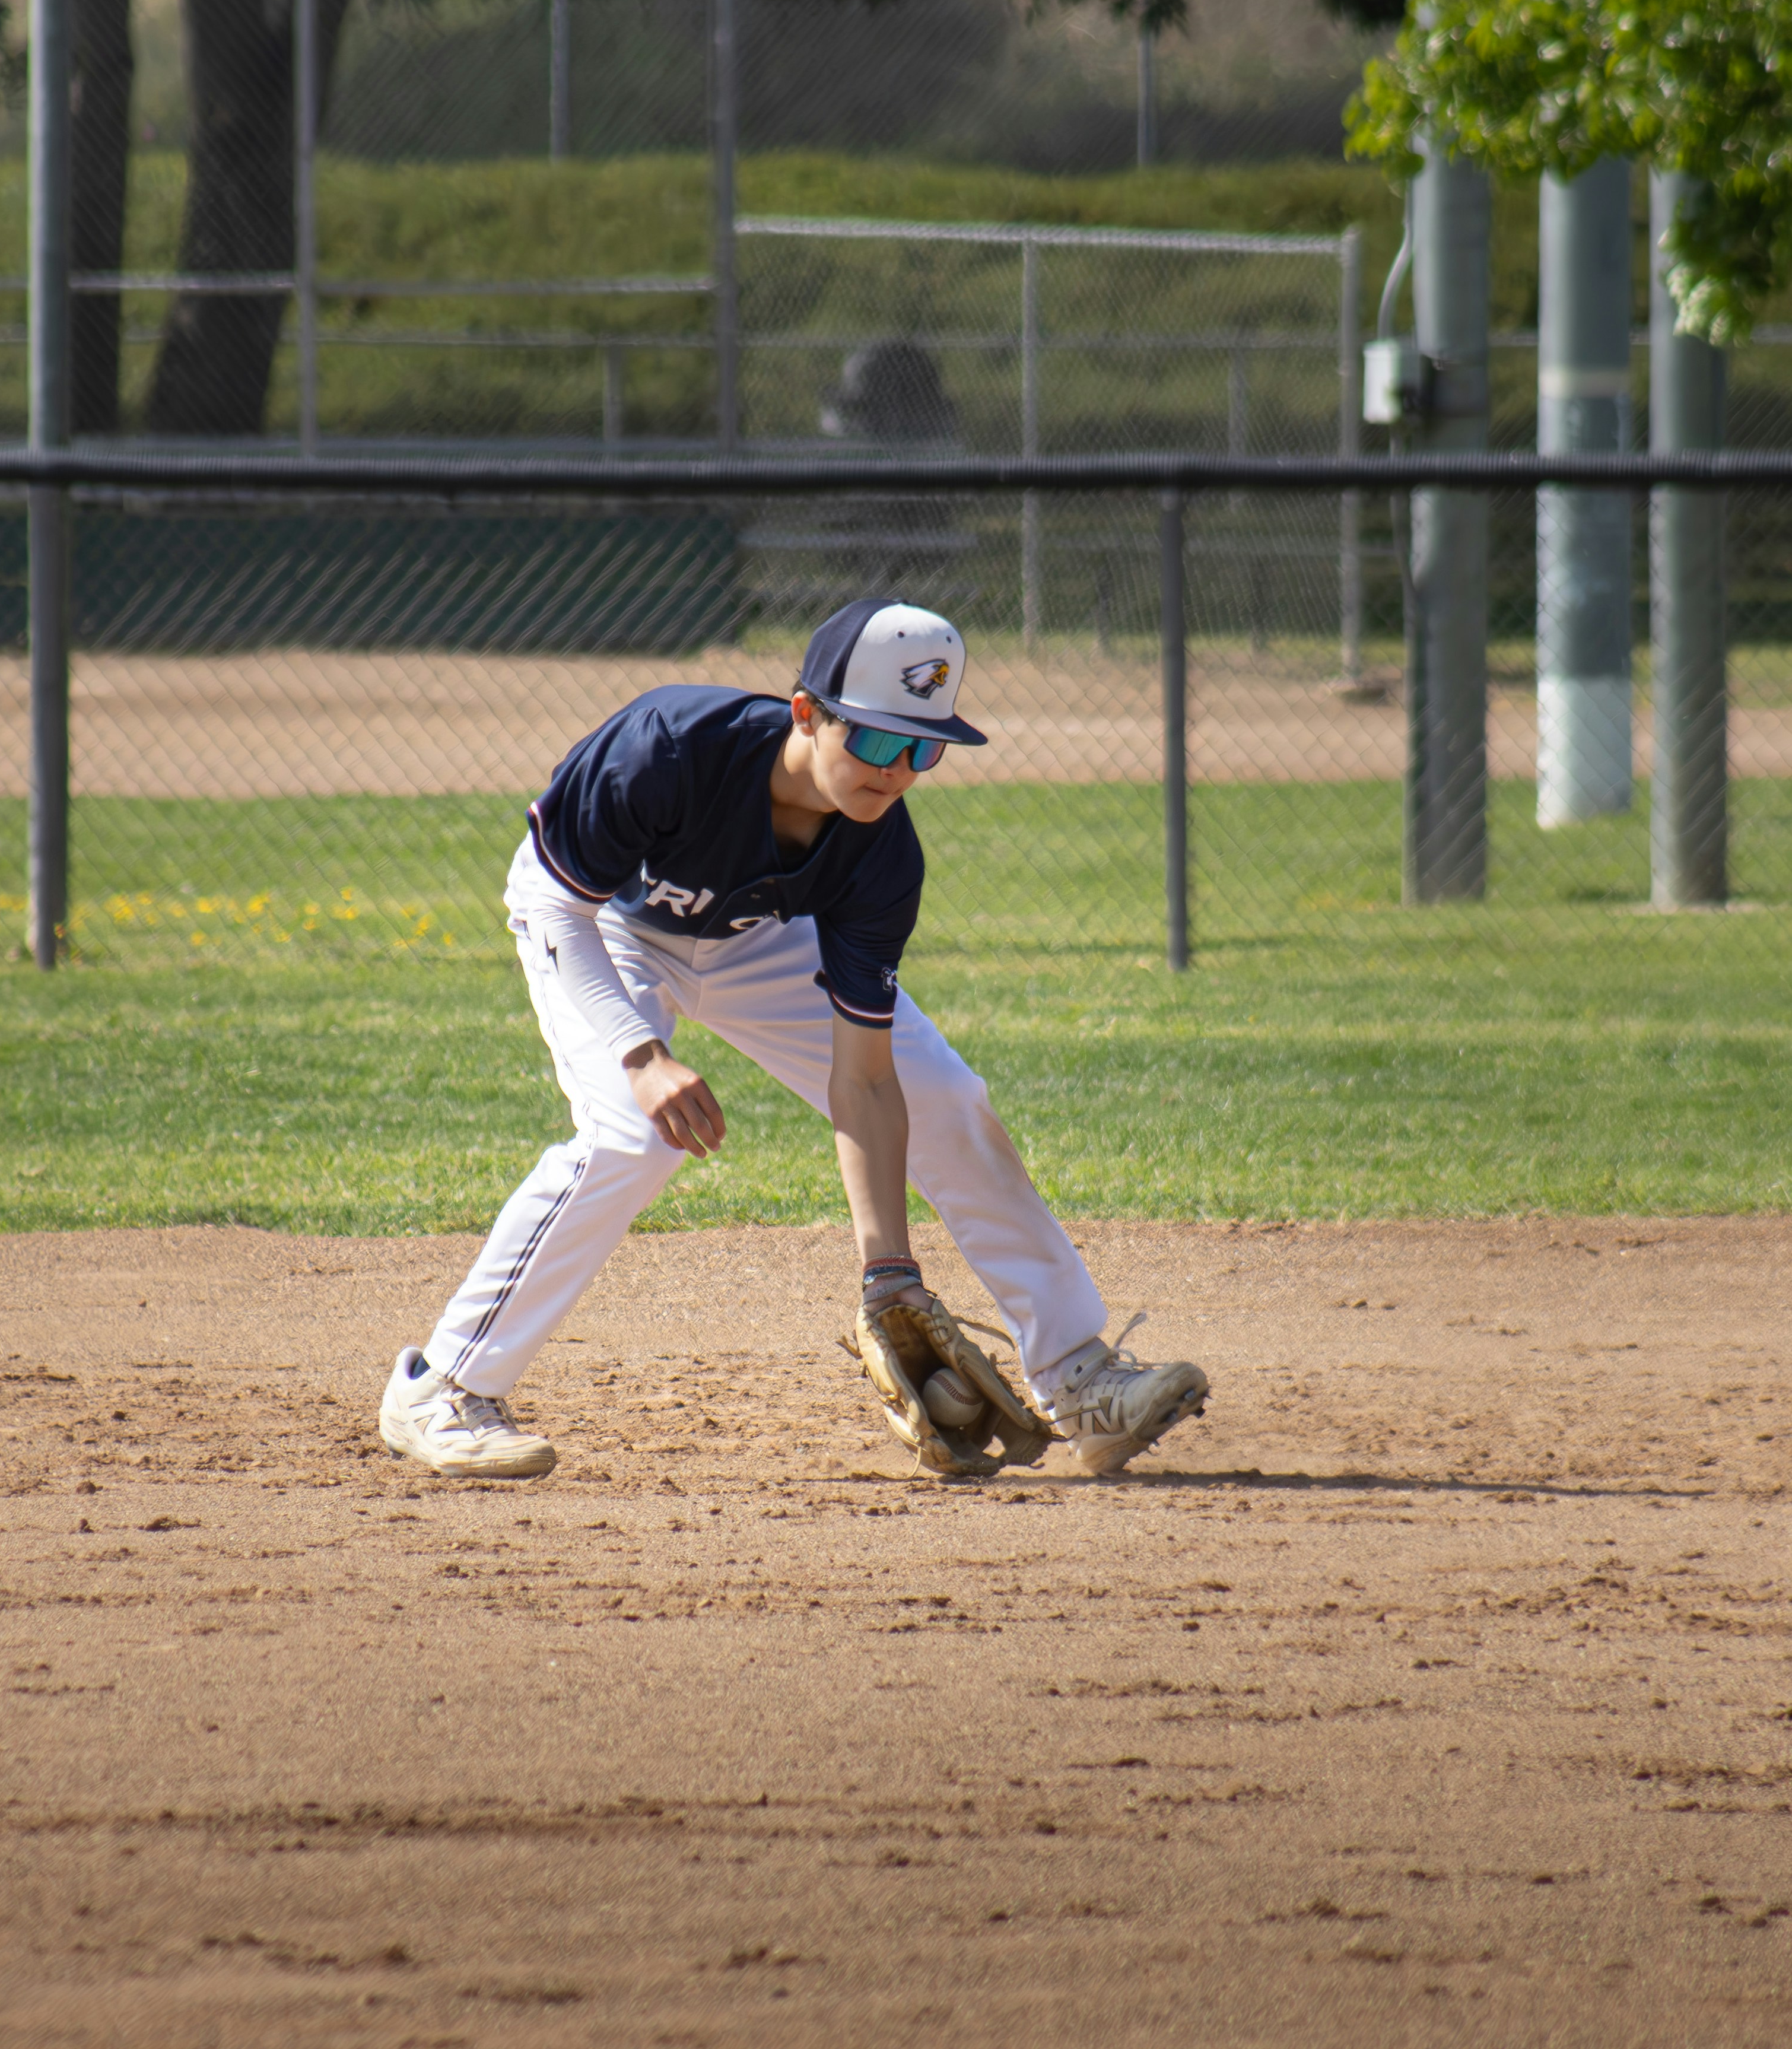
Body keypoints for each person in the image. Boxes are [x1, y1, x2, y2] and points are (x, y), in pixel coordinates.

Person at [379, 598, 1210, 1482]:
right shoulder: (668, 747)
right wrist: (643, 1052)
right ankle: (443, 1386)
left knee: (946, 1095)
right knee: (629, 1132)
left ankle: (1075, 1376)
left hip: (755, 934)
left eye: (923, 749)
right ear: (806, 713)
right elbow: (555, 905)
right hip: (600, 925)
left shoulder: (879, 856)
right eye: (879, 740)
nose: (897, 771)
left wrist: (886, 1271)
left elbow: (865, 1083)